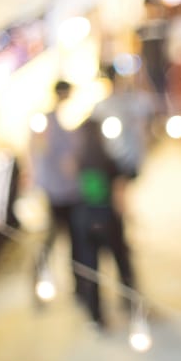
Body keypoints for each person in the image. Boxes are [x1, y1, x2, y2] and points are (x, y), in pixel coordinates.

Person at [72, 119, 135, 328]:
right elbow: (119, 191)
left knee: (92, 270)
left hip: (85, 221)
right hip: (108, 219)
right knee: (122, 262)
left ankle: (96, 315)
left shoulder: (77, 160)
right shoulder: (107, 159)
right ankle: (130, 304)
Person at [30, 81, 82, 294]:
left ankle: (78, 284)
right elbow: (40, 153)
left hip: (69, 190)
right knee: (54, 237)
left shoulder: (65, 121)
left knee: (75, 238)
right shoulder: (47, 122)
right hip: (56, 190)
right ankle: (39, 276)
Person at [91, 65, 154, 179]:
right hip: (110, 151)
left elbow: (147, 107)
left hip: (131, 150)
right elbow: (94, 120)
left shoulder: (130, 99)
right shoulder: (103, 105)